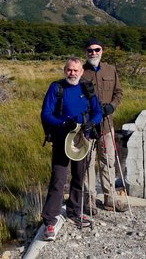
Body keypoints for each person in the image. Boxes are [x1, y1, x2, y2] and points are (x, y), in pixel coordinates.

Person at [40, 57, 103, 241]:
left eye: (76, 70)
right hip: (62, 139)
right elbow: (45, 114)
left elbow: (97, 112)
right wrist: (62, 123)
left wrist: (92, 122)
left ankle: (75, 211)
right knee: (58, 179)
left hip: (83, 138)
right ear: (64, 70)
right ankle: (50, 221)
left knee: (79, 176)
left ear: (81, 71)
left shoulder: (86, 87)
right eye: (69, 70)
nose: (72, 73)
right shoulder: (56, 88)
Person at [82, 38, 127, 212]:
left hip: (107, 125)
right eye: (90, 50)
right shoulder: (81, 71)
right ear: (86, 53)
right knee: (87, 163)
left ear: (102, 51)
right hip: (87, 126)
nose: (93, 53)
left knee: (108, 162)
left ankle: (110, 199)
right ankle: (89, 201)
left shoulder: (110, 70)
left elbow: (118, 91)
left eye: (97, 49)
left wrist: (112, 106)